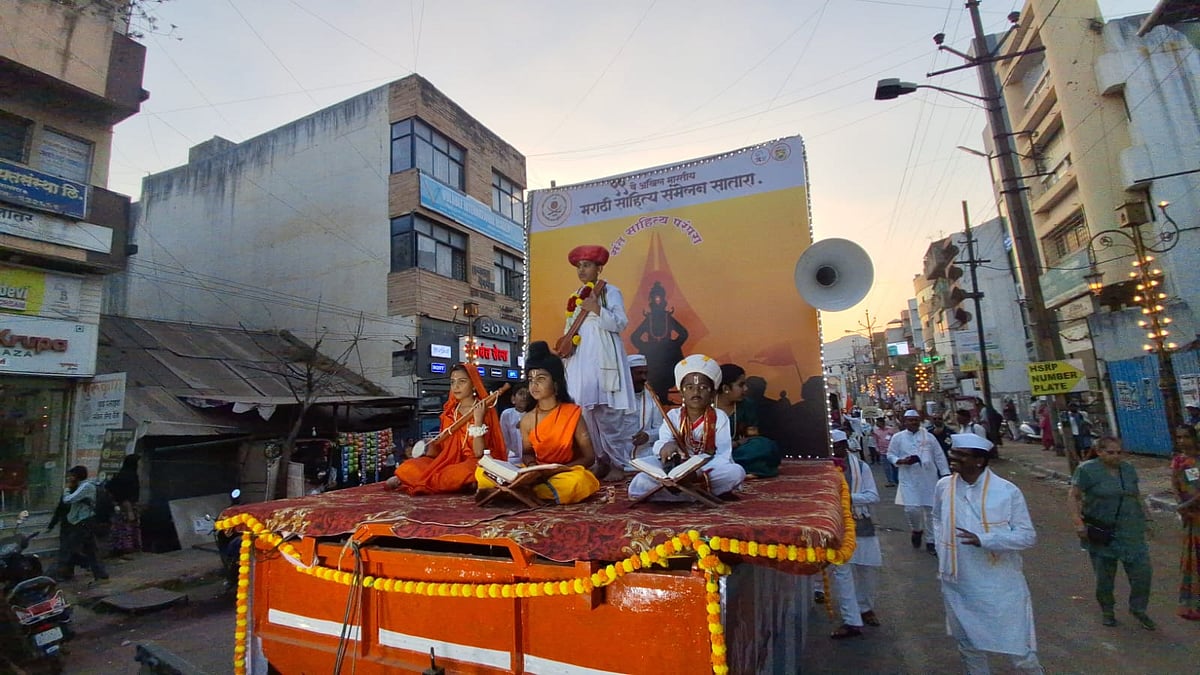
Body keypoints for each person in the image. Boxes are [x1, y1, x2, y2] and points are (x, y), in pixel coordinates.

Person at [933, 434, 1043, 674]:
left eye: (961, 455)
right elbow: (937, 519)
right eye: (953, 452)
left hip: (999, 586)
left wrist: (985, 539)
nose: (953, 457)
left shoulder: (1007, 491)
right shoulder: (943, 486)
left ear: (979, 461)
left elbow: (1027, 536)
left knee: (1019, 651)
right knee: (969, 646)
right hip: (959, 582)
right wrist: (944, 549)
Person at [476, 341, 600, 504]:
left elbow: (589, 457)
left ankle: (513, 492)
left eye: (541, 378)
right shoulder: (527, 419)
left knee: (577, 482)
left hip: (565, 472)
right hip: (535, 475)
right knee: (481, 472)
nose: (534, 385)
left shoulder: (572, 413)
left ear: (555, 383)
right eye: (530, 379)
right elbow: (527, 453)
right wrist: (533, 468)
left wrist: (559, 469)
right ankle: (524, 490)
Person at [561, 245, 636, 480]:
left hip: (604, 358)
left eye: (587, 265)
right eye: (579, 266)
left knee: (608, 413)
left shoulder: (610, 291)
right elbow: (570, 328)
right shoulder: (575, 296)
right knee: (586, 413)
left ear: (599, 268)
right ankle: (599, 460)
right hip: (581, 360)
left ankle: (618, 464)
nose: (582, 270)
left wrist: (597, 309)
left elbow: (620, 324)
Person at [628, 354, 746, 502]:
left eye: (703, 388)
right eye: (690, 388)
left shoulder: (719, 417)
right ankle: (697, 494)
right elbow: (660, 445)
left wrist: (695, 473)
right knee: (640, 481)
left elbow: (723, 456)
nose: (696, 393)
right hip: (672, 469)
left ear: (713, 393)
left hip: (703, 469)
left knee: (736, 472)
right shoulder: (673, 416)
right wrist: (667, 446)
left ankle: (674, 495)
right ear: (682, 392)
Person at [1068, 436, 1156, 630]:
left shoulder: (1128, 470)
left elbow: (1136, 495)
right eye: (1110, 452)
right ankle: (1107, 610)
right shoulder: (1087, 470)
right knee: (1105, 576)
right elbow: (1073, 496)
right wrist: (1078, 523)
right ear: (1099, 452)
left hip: (1131, 529)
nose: (1116, 456)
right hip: (1103, 531)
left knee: (1142, 573)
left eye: (1118, 452)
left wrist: (1147, 519)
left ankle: (1138, 608)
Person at [391, 364, 505, 495]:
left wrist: (478, 421)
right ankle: (458, 484)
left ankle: (434, 482)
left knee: (458, 473)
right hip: (450, 462)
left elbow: (479, 452)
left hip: (475, 461)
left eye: (462, 381)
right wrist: (429, 446)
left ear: (474, 384)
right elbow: (444, 451)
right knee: (409, 466)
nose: (456, 386)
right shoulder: (449, 413)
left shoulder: (485, 410)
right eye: (452, 382)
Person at [827, 429, 883, 639]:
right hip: (837, 527)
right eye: (831, 448)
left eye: (838, 447)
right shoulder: (824, 468)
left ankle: (865, 608)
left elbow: (873, 495)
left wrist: (847, 498)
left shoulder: (860, 467)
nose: (835, 451)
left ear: (845, 446)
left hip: (861, 524)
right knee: (842, 575)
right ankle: (851, 620)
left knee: (866, 571)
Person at [888, 409, 950, 555]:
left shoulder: (929, 437)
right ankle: (916, 530)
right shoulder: (898, 437)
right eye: (910, 420)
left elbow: (939, 456)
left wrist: (946, 474)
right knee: (912, 509)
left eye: (916, 420)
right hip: (908, 478)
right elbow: (890, 454)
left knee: (931, 511)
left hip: (929, 478)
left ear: (919, 421)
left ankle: (931, 541)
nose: (913, 422)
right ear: (905, 422)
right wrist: (899, 460)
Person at [716, 363, 782, 478]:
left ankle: (729, 468)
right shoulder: (706, 406)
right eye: (741, 385)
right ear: (726, 388)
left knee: (765, 445)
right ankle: (749, 469)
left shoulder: (747, 404)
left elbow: (752, 436)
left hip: (738, 450)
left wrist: (735, 444)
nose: (746, 389)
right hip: (713, 451)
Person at [53, 466, 108, 582]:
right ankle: (100, 573)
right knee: (90, 549)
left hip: (83, 522)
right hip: (81, 521)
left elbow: (68, 499)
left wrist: (67, 489)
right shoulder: (82, 486)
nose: (70, 478)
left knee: (68, 548)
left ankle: (55, 574)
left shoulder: (86, 486)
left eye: (72, 476)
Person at [1170, 425, 1200, 621]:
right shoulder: (1178, 461)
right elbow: (1174, 484)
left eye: (1186, 437)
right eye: (1178, 437)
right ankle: (1192, 605)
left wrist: (1186, 505)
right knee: (1192, 561)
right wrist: (1181, 505)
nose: (1182, 441)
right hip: (1191, 517)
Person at [621, 354, 664, 465]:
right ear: (627, 374)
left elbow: (661, 429)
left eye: (645, 373)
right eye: (639, 373)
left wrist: (648, 435)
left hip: (645, 454)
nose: (644, 378)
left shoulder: (652, 397)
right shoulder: (615, 399)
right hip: (619, 454)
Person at [105, 454, 142, 556]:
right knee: (127, 527)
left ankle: (119, 548)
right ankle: (126, 549)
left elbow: (109, 487)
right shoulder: (128, 477)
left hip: (122, 506)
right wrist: (128, 508)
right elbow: (124, 494)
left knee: (121, 527)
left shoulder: (124, 475)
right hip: (126, 506)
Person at [500, 386, 532, 464]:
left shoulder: (533, 415)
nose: (524, 397)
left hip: (530, 458)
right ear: (513, 399)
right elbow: (504, 438)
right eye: (521, 394)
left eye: (527, 394)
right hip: (511, 457)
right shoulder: (507, 414)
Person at [873, 418, 895, 485]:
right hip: (883, 452)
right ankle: (890, 481)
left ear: (882, 422)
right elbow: (875, 441)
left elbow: (894, 438)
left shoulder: (890, 430)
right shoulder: (876, 431)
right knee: (886, 468)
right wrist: (877, 449)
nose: (877, 424)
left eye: (878, 422)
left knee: (895, 465)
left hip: (892, 451)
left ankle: (897, 479)